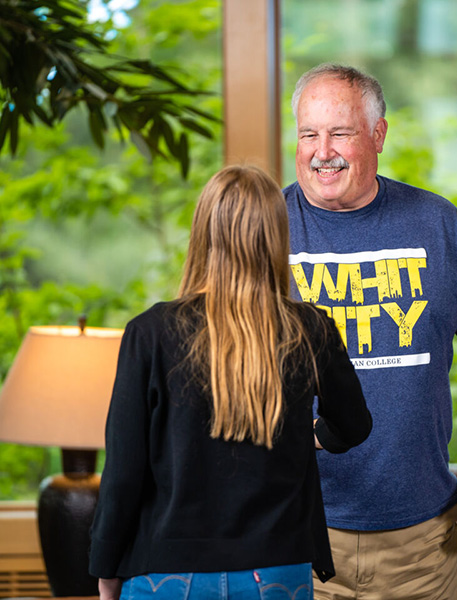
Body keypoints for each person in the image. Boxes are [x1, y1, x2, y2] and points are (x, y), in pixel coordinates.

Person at [284, 63, 457, 600]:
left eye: (340, 132)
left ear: (378, 134)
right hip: (295, 540)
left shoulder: (438, 225)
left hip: (423, 552)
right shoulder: (266, 230)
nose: (322, 150)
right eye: (308, 134)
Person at [88, 165, 372, 600]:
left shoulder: (150, 332)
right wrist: (308, 435)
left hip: (166, 572)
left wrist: (106, 570)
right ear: (276, 237)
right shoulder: (309, 328)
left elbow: (125, 470)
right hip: (277, 569)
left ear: (202, 232)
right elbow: (354, 425)